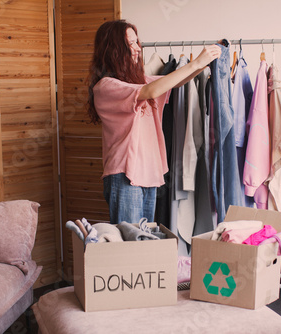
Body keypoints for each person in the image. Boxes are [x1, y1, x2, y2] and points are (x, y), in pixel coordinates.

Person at [87, 20, 221, 224]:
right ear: (113, 49)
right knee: (130, 244)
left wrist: (206, 60)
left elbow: (177, 81)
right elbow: (152, 91)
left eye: (136, 43)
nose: (136, 49)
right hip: (125, 175)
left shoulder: (138, 81)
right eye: (129, 44)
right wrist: (195, 63)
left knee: (145, 243)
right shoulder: (106, 87)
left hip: (148, 173)